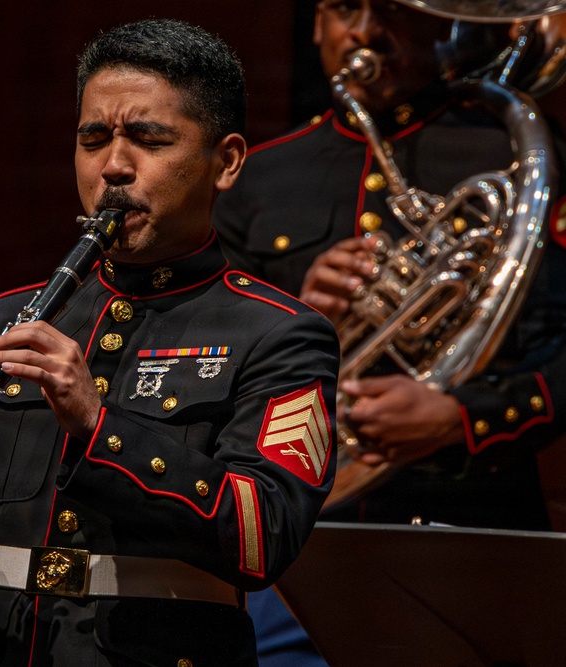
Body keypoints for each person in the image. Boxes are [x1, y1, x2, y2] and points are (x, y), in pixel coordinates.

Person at [0, 18, 340, 666]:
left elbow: (262, 533)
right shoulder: (4, 318)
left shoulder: (278, 332)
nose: (113, 166)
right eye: (93, 138)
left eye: (147, 138)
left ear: (225, 162)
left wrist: (99, 424)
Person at [212, 1, 566, 664]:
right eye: (345, 7)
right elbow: (203, 366)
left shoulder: (523, 157)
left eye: (397, 10)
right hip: (295, 559)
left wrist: (460, 418)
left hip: (476, 538)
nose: (367, 32)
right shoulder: (256, 178)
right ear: (316, 23)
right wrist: (297, 314)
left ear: (449, 22)